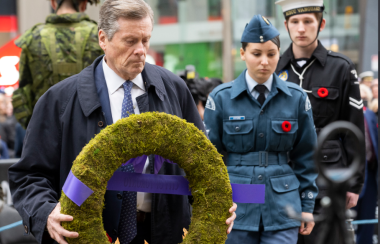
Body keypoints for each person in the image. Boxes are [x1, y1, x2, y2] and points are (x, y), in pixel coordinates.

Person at [8, 1, 236, 244]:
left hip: (164, 231)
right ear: (103, 39)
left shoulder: (174, 90)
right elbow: (29, 177)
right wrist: (46, 212)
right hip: (91, 232)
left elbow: (201, 161)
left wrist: (217, 203)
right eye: (130, 41)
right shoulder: (60, 100)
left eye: (145, 40)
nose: (140, 50)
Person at [204, 15, 318, 244]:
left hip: (284, 208)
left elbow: (307, 156)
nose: (264, 61)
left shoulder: (295, 98)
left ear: (279, 54)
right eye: (256, 54)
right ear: (243, 53)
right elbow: (209, 158)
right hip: (235, 208)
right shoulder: (221, 98)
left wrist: (307, 205)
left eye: (271, 54)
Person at [274, 1, 365, 243]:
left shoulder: (341, 67)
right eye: (294, 22)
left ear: (321, 24)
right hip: (283, 180)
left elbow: (354, 128)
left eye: (307, 21)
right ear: (286, 25)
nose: (301, 28)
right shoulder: (274, 71)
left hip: (329, 178)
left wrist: (354, 184)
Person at [12, 0, 103, 129]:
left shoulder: (33, 37)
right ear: (83, 4)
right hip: (90, 131)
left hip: (45, 128)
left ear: (53, 3)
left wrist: (33, 128)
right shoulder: (99, 36)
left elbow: (22, 94)